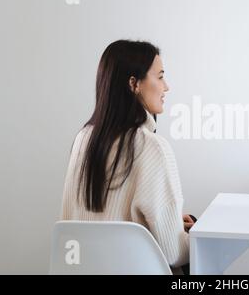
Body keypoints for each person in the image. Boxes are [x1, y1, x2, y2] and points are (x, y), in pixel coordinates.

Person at [61, 40, 194, 274]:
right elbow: (174, 253)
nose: (166, 87)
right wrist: (193, 234)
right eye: (160, 76)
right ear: (134, 84)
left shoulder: (83, 139)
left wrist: (168, 223)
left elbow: (75, 220)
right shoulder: (152, 147)